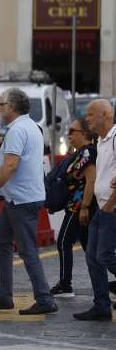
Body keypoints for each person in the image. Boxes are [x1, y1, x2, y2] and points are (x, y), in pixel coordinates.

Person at [0, 88, 57, 315]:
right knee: (0, 240)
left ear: (11, 107)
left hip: (22, 200)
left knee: (27, 250)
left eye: (1, 105)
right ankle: (3, 295)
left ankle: (44, 298)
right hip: (18, 199)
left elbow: (11, 166)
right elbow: (16, 159)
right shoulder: (27, 127)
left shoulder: (19, 129)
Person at [73, 99, 116, 321]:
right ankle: (101, 305)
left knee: (105, 255)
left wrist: (109, 205)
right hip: (103, 206)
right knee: (92, 258)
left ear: (106, 115)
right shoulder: (101, 141)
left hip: (112, 207)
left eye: (90, 115)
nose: (87, 119)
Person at [49, 118, 99, 298]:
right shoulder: (81, 152)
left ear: (84, 133)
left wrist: (84, 207)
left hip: (80, 207)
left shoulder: (88, 152)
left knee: (63, 241)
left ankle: (65, 284)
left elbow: (91, 180)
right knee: (92, 251)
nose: (69, 134)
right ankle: (99, 290)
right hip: (77, 205)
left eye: (73, 131)